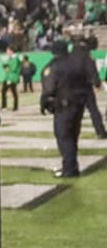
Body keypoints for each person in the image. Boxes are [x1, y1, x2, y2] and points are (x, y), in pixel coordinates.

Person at [40, 39, 91, 177]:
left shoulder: (53, 66)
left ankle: (69, 169)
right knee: (73, 136)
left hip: (63, 105)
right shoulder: (77, 64)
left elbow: (48, 88)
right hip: (78, 104)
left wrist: (44, 103)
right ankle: (71, 166)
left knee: (64, 136)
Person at [0, 45, 21, 112]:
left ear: (11, 51)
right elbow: (7, 69)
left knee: (13, 91)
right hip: (8, 77)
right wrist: (5, 65)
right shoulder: (10, 58)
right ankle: (4, 106)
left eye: (8, 50)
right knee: (3, 91)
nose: (7, 52)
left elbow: (13, 69)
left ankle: (15, 106)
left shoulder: (15, 58)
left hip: (13, 78)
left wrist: (6, 66)